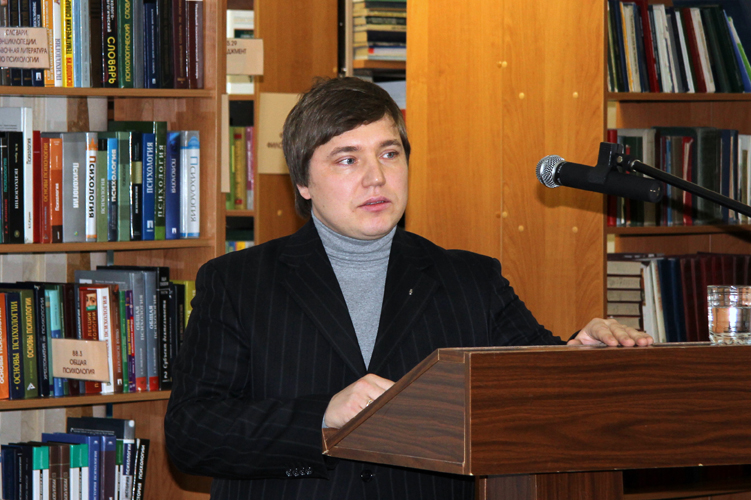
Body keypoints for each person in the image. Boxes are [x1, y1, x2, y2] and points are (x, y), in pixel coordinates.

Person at [164, 77, 653, 500]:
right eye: (347, 159)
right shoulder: (237, 281)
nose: (376, 177)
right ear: (303, 183)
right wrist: (322, 415)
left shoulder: (471, 279)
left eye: (389, 153)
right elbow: (193, 433)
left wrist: (580, 356)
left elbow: (534, 385)